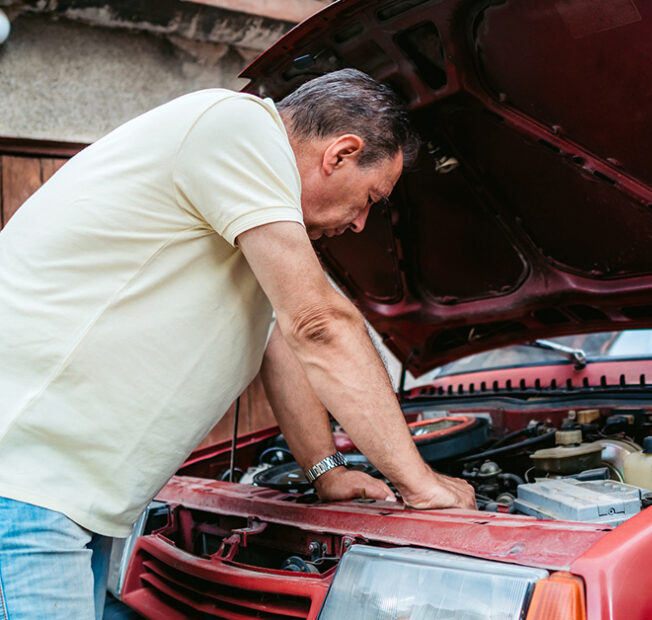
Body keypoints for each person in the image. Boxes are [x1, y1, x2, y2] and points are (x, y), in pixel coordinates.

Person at [0, 68, 475, 619]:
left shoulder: (248, 203)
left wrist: (326, 471)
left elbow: (282, 339)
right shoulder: (236, 127)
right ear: (341, 153)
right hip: (26, 488)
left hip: (72, 499)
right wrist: (420, 485)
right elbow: (317, 326)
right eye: (371, 198)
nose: (361, 224)